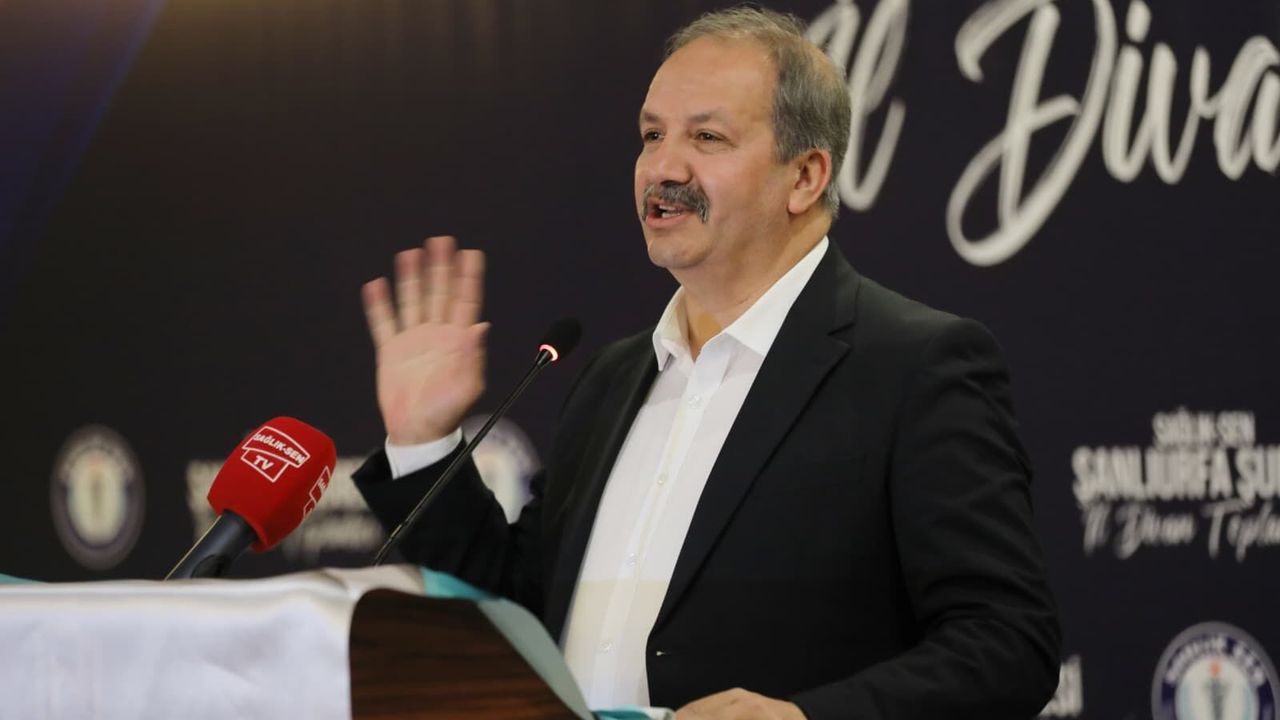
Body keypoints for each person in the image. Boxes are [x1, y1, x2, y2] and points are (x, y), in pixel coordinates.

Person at [354, 7, 1060, 719]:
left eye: (707, 137)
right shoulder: (612, 379)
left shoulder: (913, 366)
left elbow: (1007, 644)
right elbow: (517, 616)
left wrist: (803, 718)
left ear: (805, 175)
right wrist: (424, 442)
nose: (662, 168)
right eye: (652, 135)